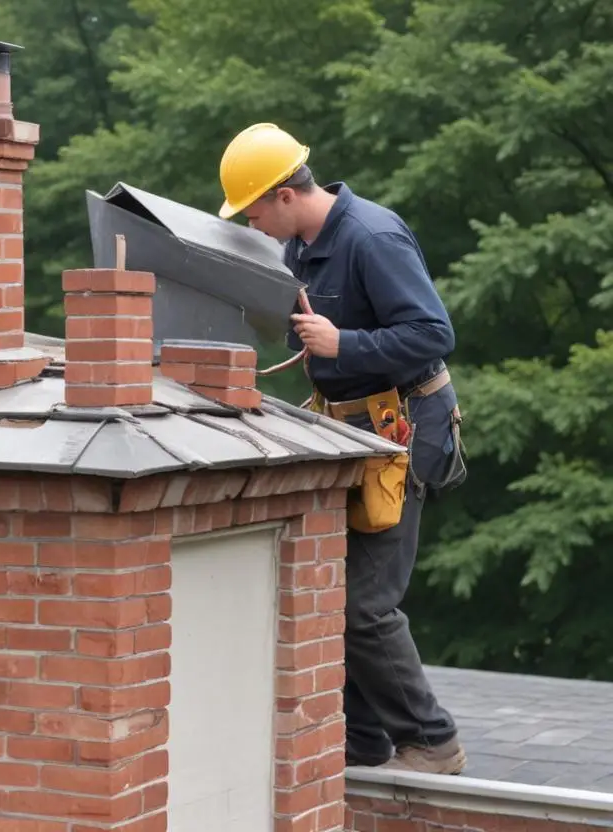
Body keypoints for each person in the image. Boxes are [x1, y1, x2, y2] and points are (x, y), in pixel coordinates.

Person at [217, 123, 468, 775]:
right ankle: (361, 740)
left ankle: (433, 741)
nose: (253, 223)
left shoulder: (371, 237)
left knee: (365, 604)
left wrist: (344, 345)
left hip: (400, 427)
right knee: (334, 592)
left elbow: (433, 333)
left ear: (284, 194)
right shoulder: (303, 244)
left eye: (254, 211)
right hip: (348, 431)